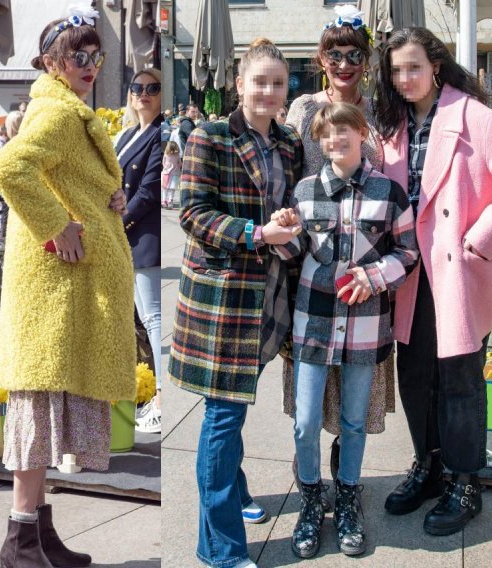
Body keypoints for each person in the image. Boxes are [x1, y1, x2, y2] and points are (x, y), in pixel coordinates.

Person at [375, 27, 492, 535]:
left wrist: (482, 237)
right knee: (414, 375)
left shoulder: (472, 114)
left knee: (460, 380)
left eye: (413, 67)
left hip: (457, 270)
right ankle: (428, 466)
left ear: (435, 65)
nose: (405, 79)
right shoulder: (392, 125)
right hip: (409, 271)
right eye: (396, 71)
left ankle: (465, 480)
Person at [0, 6, 136, 567]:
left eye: (96, 54)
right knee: (36, 411)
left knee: (45, 414)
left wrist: (106, 200)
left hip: (62, 296)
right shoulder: (55, 113)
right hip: (53, 295)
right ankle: (20, 541)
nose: (90, 64)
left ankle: (39, 535)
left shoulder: (65, 109)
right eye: (79, 54)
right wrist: (58, 226)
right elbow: (8, 170)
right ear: (51, 61)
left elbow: (62, 178)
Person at [168, 37, 303, 568]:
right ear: (239, 85)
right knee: (223, 417)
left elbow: (285, 207)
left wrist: (287, 224)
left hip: (269, 296)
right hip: (223, 300)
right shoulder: (211, 136)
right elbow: (193, 213)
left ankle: (239, 495)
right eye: (259, 82)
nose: (268, 91)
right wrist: (255, 234)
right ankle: (219, 548)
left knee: (234, 408)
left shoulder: (289, 142)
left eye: (277, 82)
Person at [273, 102, 418, 558]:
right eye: (326, 135)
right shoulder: (304, 191)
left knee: (354, 422)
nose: (335, 141)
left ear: (362, 133)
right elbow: (292, 251)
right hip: (312, 323)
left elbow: (409, 253)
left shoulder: (389, 192)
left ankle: (350, 496)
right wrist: (281, 233)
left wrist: (373, 276)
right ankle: (312, 497)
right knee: (305, 422)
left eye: (344, 131)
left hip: (365, 324)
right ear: (319, 141)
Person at [284, 5, 393, 487]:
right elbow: (287, 177)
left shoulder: (382, 113)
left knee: (355, 386)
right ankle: (308, 471)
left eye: (354, 53)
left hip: (366, 269)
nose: (344, 62)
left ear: (366, 58)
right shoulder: (303, 109)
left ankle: (344, 472)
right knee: (309, 386)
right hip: (311, 266)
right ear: (321, 58)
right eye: (335, 53)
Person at [114, 68, 164, 434]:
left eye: (153, 88)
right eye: (138, 87)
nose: (144, 93)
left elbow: (149, 191)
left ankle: (160, 398)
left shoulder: (161, 134)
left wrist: (120, 221)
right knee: (138, 319)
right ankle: (144, 393)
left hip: (144, 234)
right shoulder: (128, 134)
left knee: (153, 318)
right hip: (124, 236)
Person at [162, 140, 181, 208]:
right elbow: (180, 164)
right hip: (175, 174)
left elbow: (163, 163)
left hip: (166, 173)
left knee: (164, 188)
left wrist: (166, 167)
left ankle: (164, 201)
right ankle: (170, 201)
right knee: (172, 189)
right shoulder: (177, 155)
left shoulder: (166, 154)